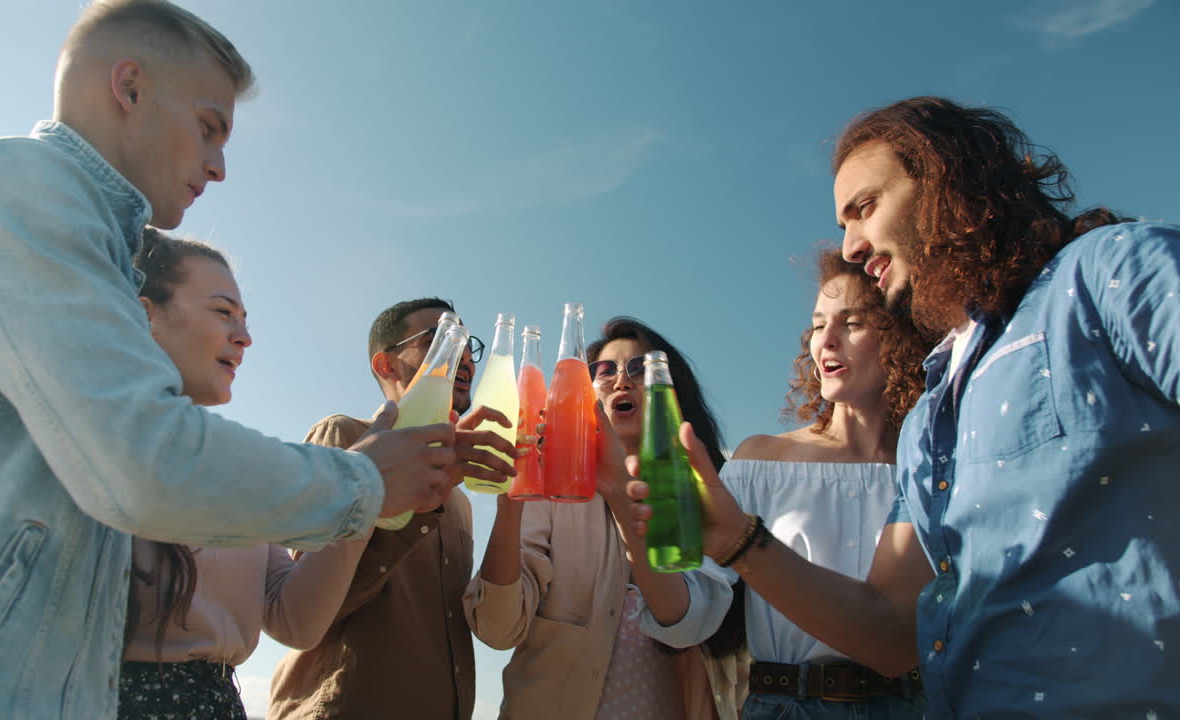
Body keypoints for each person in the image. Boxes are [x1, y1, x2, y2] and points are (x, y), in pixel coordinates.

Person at [0, 2, 454, 716]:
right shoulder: (18, 185)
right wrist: (363, 479)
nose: (220, 166)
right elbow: (138, 464)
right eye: (208, 128)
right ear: (129, 87)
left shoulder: (89, 245)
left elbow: (285, 610)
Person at [627, 96, 1180, 718]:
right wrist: (734, 538)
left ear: (950, 182)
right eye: (842, 224)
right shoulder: (934, 416)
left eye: (864, 208)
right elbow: (893, 635)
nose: (852, 245)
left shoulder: (1111, 273)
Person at [637, 249, 934, 718]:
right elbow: (694, 614)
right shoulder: (760, 460)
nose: (827, 341)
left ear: (901, 334)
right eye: (818, 325)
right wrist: (637, 535)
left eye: (851, 323)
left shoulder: (930, 465)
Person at [119, 229, 360, 718]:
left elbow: (295, 620)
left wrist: (366, 497)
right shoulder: (94, 443)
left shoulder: (231, 467)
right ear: (146, 315)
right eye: (223, 312)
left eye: (245, 320)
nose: (245, 337)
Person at [465, 317, 737, 719]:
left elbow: (688, 624)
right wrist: (511, 499)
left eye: (640, 369)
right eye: (603, 371)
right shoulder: (550, 497)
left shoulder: (704, 497)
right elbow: (498, 628)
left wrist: (618, 492)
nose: (621, 381)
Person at [268, 298, 517, 720]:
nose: (463, 358)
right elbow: (307, 611)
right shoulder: (345, 438)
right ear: (386, 366)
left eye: (466, 344)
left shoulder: (459, 499)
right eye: (440, 339)